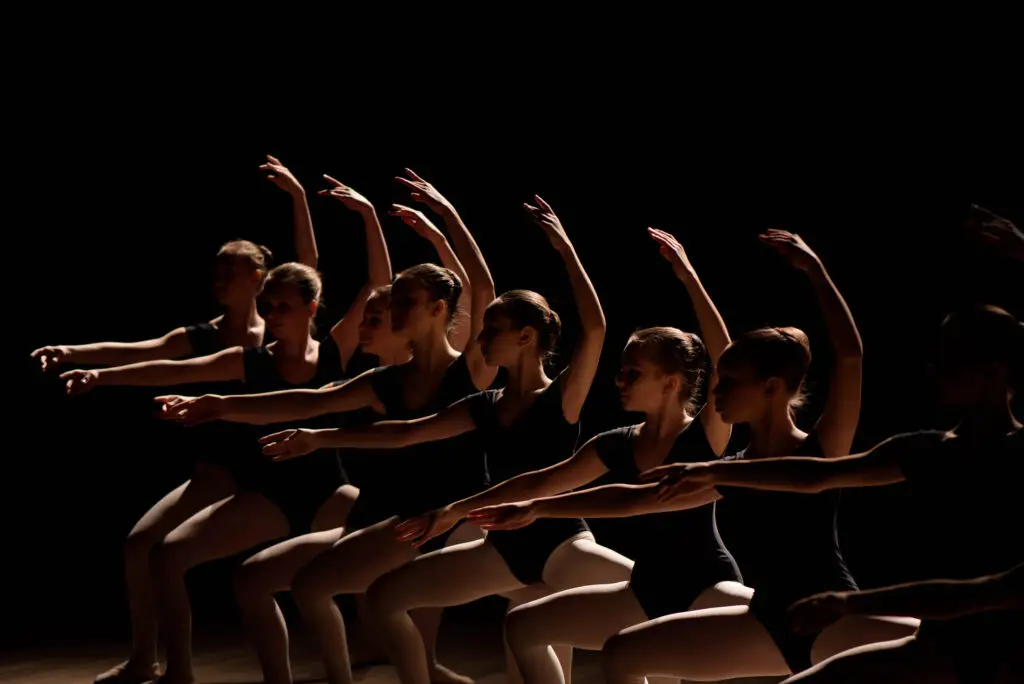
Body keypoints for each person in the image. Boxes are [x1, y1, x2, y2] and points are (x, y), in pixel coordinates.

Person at [478, 230, 918, 682]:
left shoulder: (822, 451)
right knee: (623, 654)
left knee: (946, 648)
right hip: (766, 622)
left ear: (771, 389)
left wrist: (815, 271)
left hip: (829, 616)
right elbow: (634, 500)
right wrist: (537, 507)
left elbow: (849, 357)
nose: (717, 391)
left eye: (729, 383)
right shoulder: (729, 470)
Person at [259, 196, 624, 684]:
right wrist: (319, 438)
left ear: (527, 337)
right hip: (501, 548)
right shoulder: (483, 404)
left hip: (559, 541)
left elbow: (596, 326)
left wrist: (563, 246)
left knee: (634, 615)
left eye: (493, 330)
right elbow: (407, 433)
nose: (482, 337)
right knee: (389, 597)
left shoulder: (562, 398)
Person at [161, 170, 498, 684]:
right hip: (388, 515)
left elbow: (482, 285)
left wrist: (443, 220)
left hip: (439, 521)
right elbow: (310, 401)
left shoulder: (469, 367)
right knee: (274, 580)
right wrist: (219, 406)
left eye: (404, 302)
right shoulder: (386, 379)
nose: (388, 309)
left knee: (357, 602)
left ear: (437, 311)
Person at [38, 155, 317, 684]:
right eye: (213, 271)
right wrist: (76, 354)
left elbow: (310, 268)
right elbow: (146, 353)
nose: (215, 280)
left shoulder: (277, 336)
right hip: (218, 468)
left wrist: (299, 199)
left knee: (179, 558)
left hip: (270, 473)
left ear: (258, 278)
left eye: (226, 272)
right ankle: (149, 658)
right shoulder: (207, 335)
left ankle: (175, 668)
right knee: (140, 546)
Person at [425, 227, 744, 684]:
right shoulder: (614, 443)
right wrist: (457, 510)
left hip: (704, 585)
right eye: (621, 370)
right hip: (646, 589)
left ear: (672, 382)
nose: (619, 379)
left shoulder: (707, 436)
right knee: (526, 624)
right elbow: (540, 481)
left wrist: (689, 277)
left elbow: (725, 359)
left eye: (632, 372)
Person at [651, 304, 1022, 684]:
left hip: (998, 657)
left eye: (951, 356)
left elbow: (996, 590)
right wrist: (711, 470)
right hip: (936, 649)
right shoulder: (926, 450)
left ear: (993, 370)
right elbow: (816, 476)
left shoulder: (1012, 455)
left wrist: (850, 603)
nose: (935, 365)